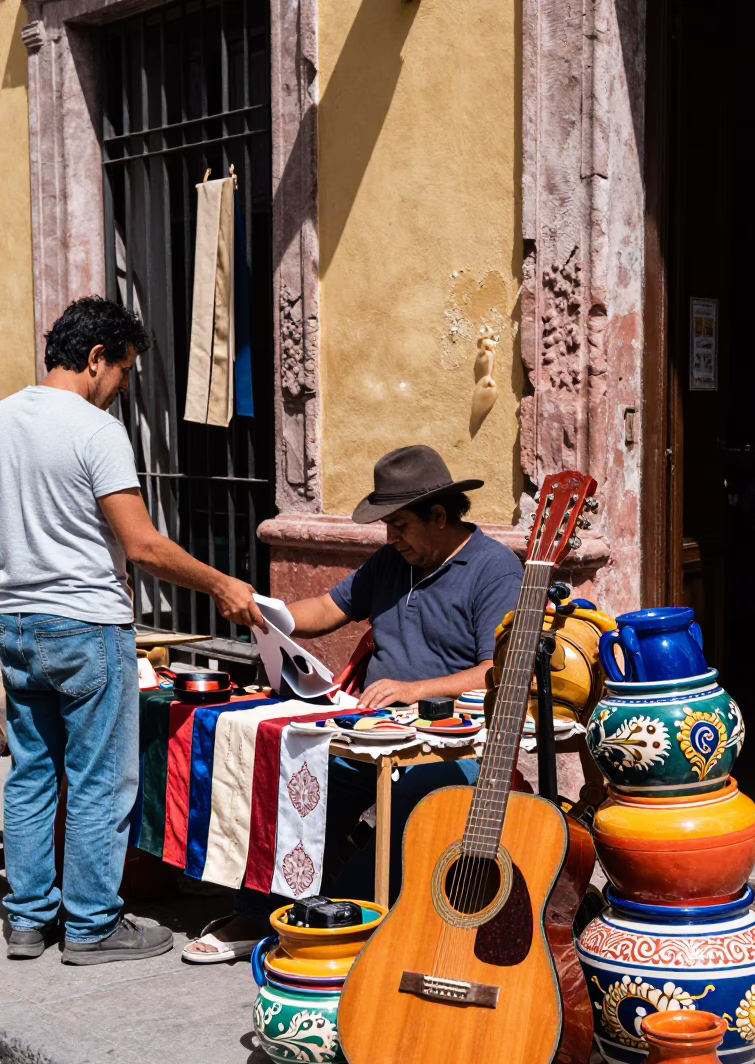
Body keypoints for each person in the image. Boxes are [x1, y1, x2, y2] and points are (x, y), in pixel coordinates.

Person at [0, 296, 265, 964]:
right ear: (97, 359)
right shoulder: (94, 431)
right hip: (87, 625)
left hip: (16, 621)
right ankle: (91, 926)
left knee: (32, 772)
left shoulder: (3, 420)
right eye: (124, 373)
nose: (123, 390)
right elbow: (142, 545)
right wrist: (222, 584)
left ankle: (27, 921)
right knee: (97, 780)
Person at [183, 445, 524, 962]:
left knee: (402, 816)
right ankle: (256, 915)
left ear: (438, 516)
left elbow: (494, 669)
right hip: (372, 727)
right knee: (299, 780)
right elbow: (326, 608)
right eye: (387, 526)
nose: (391, 538)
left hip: (450, 740)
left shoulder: (494, 570)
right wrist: (264, 613)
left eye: (400, 525)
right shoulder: (391, 561)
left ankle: (340, 926)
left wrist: (415, 690)